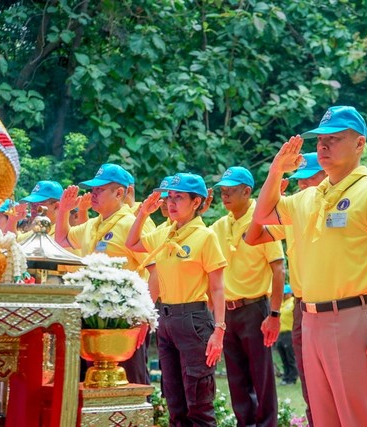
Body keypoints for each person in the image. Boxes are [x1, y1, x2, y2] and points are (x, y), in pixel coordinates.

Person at [252, 106, 367, 426]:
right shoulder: (309, 197)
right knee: (324, 419)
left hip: (352, 319)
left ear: (359, 144)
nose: (323, 146)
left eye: (334, 139)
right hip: (311, 321)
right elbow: (262, 216)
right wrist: (276, 170)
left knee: (359, 419)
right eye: (320, 140)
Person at [125, 173, 226, 426]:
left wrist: (219, 331)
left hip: (194, 320)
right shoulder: (164, 233)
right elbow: (133, 243)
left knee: (199, 403)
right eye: (169, 197)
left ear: (196, 202)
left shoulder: (206, 237)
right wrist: (143, 213)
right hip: (166, 320)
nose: (171, 203)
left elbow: (217, 288)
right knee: (174, 401)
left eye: (178, 197)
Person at [243, 152, 325, 426]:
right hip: (304, 308)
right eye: (298, 181)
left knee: (335, 388)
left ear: (326, 176)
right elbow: (253, 236)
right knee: (310, 386)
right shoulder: (293, 214)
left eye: (307, 180)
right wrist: (270, 199)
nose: (300, 186)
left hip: (332, 304)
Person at [55, 163, 155, 385]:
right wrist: (63, 210)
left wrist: (145, 319)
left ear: (119, 193)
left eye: (100, 189)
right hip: (95, 316)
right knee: (97, 381)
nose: (93, 194)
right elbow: (62, 240)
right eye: (93, 189)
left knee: (132, 380)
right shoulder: (93, 224)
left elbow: (154, 270)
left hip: (126, 318)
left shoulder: (134, 224)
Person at [210, 166, 285, 427]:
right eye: (222, 191)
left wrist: (274, 313)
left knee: (261, 376)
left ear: (247, 191)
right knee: (236, 377)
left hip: (255, 308)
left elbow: (278, 268)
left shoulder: (262, 220)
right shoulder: (220, 225)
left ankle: (267, 424)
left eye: (231, 190)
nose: (225, 195)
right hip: (228, 311)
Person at [276, 284, 298, 386]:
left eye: (285, 293)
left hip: (289, 333)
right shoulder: (282, 304)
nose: (283, 295)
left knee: (290, 356)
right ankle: (286, 377)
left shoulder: (293, 302)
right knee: (283, 356)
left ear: (289, 293)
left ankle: (292, 378)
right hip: (280, 333)